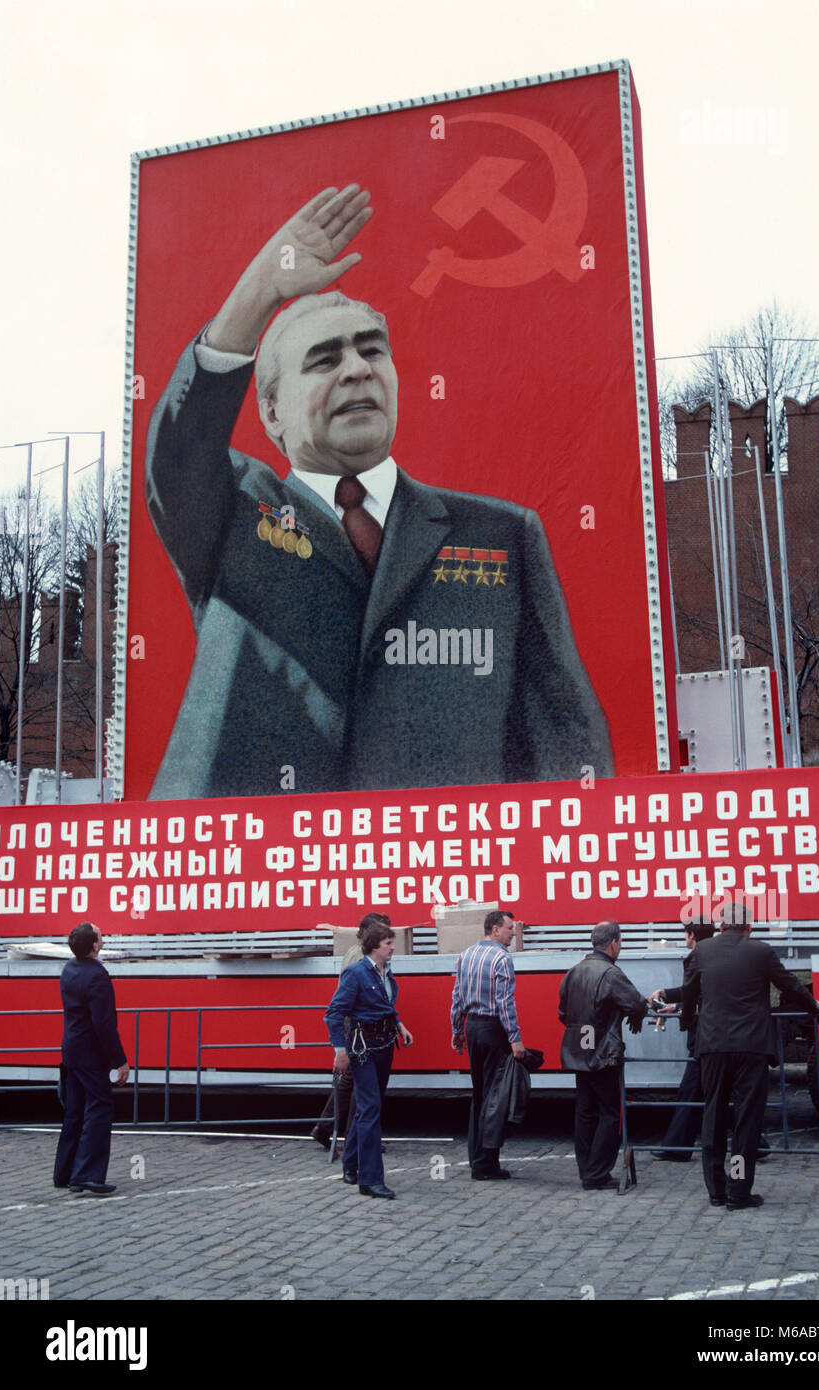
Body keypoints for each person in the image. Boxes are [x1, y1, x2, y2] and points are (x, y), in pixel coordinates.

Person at [145, 183, 613, 799]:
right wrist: (256, 297)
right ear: (271, 413)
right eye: (324, 359)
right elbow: (178, 456)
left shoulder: (503, 537)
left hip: (441, 877)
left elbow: (564, 743)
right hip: (254, 879)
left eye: (372, 351)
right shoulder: (233, 510)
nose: (359, 368)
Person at [680, 902, 819, 1211]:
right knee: (747, 1122)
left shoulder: (703, 951)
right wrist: (816, 1009)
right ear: (749, 928)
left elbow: (688, 993)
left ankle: (716, 1190)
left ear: (721, 926)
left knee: (712, 1115)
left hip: (712, 1045)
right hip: (751, 1047)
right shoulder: (760, 952)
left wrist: (686, 1021)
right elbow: (790, 987)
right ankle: (738, 1191)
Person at [324, 920, 413, 1198]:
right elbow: (334, 1014)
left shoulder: (385, 972)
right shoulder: (356, 973)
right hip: (362, 1048)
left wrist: (400, 1025)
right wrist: (340, 1050)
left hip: (384, 1044)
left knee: (367, 1109)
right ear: (374, 946)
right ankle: (370, 1179)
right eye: (388, 944)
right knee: (370, 1109)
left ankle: (351, 1164)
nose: (393, 948)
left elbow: (386, 1006)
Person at [558, 920, 648, 1190]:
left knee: (585, 1111)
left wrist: (585, 1031)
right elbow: (636, 1003)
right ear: (613, 943)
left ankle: (588, 1170)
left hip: (579, 1049)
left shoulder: (574, 971)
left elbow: (563, 1014)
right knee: (610, 1112)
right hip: (602, 1051)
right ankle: (597, 1173)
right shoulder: (610, 973)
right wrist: (635, 1014)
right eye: (620, 942)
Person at [53, 923, 129, 1197]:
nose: (103, 938)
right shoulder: (97, 976)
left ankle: (66, 1171)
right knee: (99, 1106)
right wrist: (119, 1060)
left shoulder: (69, 969)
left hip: (71, 1049)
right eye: (100, 936)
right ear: (95, 945)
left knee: (74, 1110)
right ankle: (87, 1174)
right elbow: (104, 1024)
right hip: (89, 1052)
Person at [451, 909, 525, 1180]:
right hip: (494, 1029)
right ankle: (486, 1164)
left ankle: (476, 1157)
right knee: (495, 1098)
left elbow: (457, 996)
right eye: (510, 928)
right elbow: (505, 1002)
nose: (513, 933)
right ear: (495, 929)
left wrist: (457, 1029)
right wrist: (515, 1038)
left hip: (473, 1027)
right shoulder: (502, 959)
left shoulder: (465, 955)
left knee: (480, 1093)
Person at [311, 911, 390, 1152]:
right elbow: (349, 1001)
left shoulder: (358, 954)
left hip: (357, 1028)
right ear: (368, 934)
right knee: (361, 1087)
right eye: (382, 933)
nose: (388, 938)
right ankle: (355, 1138)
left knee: (349, 1081)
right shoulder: (361, 959)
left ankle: (325, 1129)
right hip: (360, 1031)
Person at [648, 919, 715, 1161]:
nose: (685, 940)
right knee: (719, 1092)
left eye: (686, 935)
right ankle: (755, 1144)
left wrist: (676, 1007)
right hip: (716, 1036)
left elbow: (697, 997)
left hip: (702, 1038)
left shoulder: (694, 958)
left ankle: (677, 1146)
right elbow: (699, 993)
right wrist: (667, 993)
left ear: (692, 935)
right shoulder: (717, 955)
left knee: (690, 1092)